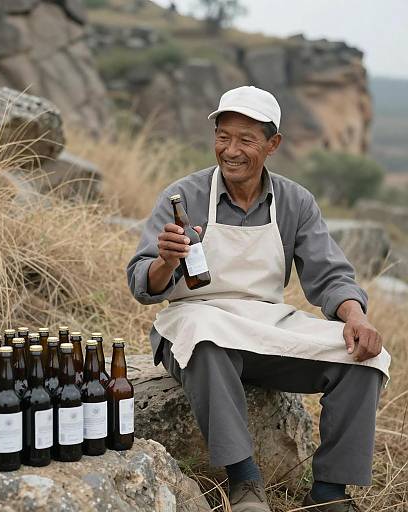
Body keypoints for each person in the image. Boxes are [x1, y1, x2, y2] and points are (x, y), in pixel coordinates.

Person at [126, 86, 391, 512]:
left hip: (265, 325)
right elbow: (142, 284)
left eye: (246, 140)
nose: (231, 150)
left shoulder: (295, 201)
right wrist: (164, 260)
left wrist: (355, 316)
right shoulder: (184, 196)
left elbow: (330, 276)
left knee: (365, 358)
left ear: (273, 145)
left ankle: (328, 493)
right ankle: (245, 481)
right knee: (204, 334)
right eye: (223, 136)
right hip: (193, 322)